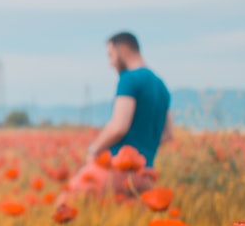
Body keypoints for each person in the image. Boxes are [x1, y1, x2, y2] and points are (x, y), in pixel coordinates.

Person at [69, 32, 172, 197]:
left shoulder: (129, 79)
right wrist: (142, 150)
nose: (110, 63)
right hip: (147, 175)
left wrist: (93, 150)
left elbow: (119, 126)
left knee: (68, 199)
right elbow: (167, 134)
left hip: (116, 171)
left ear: (123, 49)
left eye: (111, 55)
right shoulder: (161, 86)